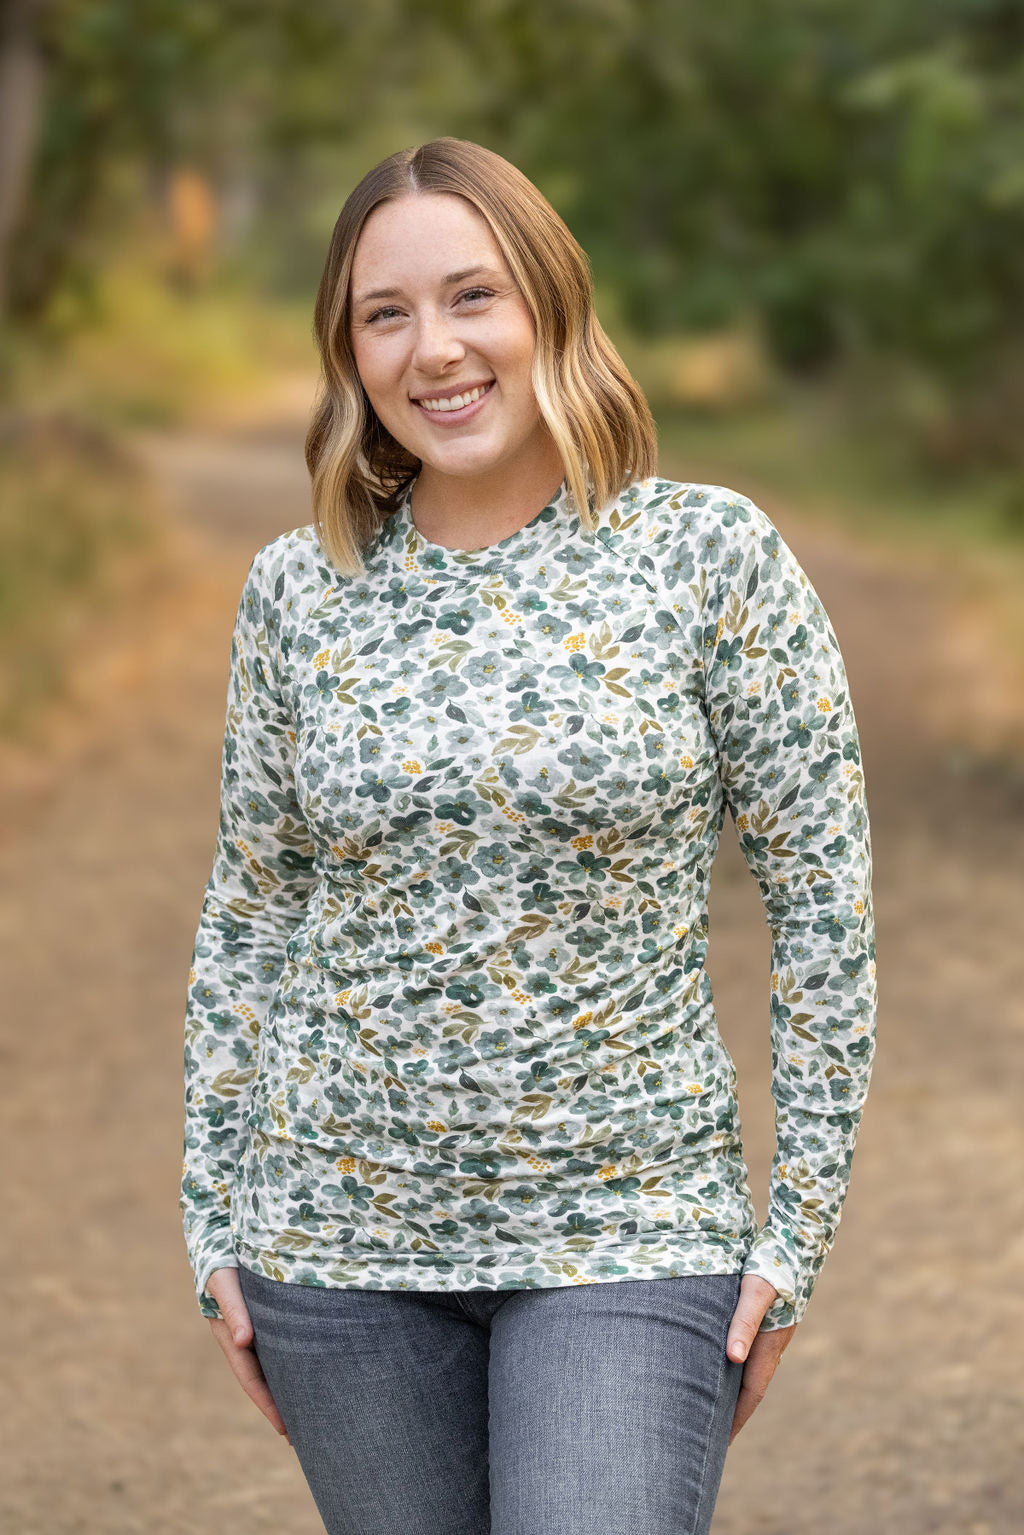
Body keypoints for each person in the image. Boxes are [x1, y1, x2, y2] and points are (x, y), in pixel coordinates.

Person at [179, 136, 877, 1535]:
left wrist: (793, 1233)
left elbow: (823, 906)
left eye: (473, 297)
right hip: (338, 1247)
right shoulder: (300, 593)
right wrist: (214, 1220)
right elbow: (253, 907)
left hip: (632, 1230)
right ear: (350, 350)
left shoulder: (708, 558)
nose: (434, 349)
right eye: (387, 314)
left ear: (551, 305)